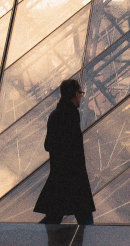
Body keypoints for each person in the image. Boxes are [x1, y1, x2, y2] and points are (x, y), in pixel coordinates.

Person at [34, 78, 95, 228]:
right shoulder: (71, 115)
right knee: (84, 216)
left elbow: (48, 145)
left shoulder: (55, 114)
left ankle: (31, 237)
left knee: (54, 217)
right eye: (81, 93)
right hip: (73, 176)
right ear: (75, 94)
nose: (82, 96)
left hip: (60, 176)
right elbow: (74, 148)